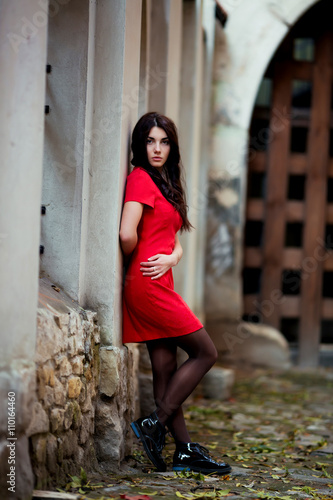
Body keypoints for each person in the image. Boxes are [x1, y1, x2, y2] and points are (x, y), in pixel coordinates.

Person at [119, 112, 231, 475]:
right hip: (148, 285)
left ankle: (183, 451)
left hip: (160, 278)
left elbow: (174, 239)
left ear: (172, 146)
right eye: (150, 141)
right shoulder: (139, 179)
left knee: (165, 367)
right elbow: (126, 234)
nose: (157, 148)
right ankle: (155, 424)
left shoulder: (165, 180)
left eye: (164, 141)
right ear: (140, 144)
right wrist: (141, 258)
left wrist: (171, 257)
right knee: (206, 351)